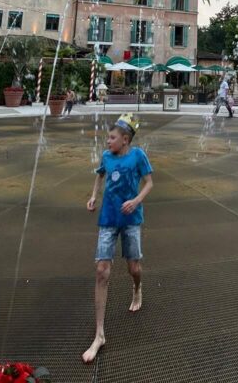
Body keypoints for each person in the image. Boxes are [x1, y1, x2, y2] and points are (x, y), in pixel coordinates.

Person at [83, 114, 153, 364]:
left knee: (133, 267)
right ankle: (99, 334)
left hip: (131, 219)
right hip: (108, 219)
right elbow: (100, 175)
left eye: (112, 138)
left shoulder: (138, 156)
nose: (107, 141)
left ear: (125, 140)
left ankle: (137, 287)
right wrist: (93, 196)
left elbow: (149, 183)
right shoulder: (106, 157)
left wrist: (135, 201)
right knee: (102, 270)